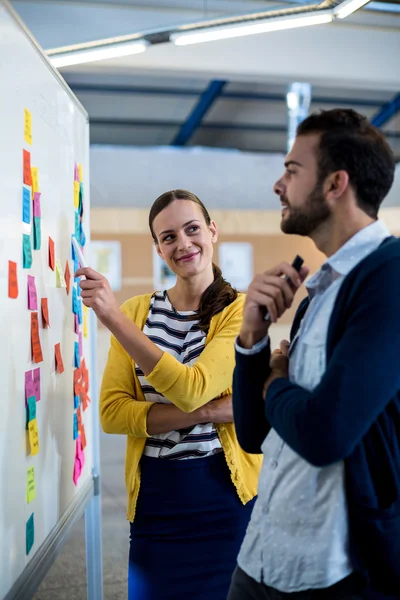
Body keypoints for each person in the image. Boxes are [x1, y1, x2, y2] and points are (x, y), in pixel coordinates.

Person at [228, 109, 400, 600]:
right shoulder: (321, 289)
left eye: (292, 171)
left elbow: (326, 433)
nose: (278, 185)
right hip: (262, 555)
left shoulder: (388, 276)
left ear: (335, 183)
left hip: (332, 574)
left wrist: (276, 383)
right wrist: (253, 342)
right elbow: (255, 432)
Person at [75, 189, 262, 600]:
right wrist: (209, 412)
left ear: (212, 231)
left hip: (225, 498)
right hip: (155, 501)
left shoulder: (240, 311)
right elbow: (111, 414)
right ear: (159, 249)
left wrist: (111, 318)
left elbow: (191, 387)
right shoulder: (138, 311)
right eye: (169, 236)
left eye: (192, 229)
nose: (183, 243)